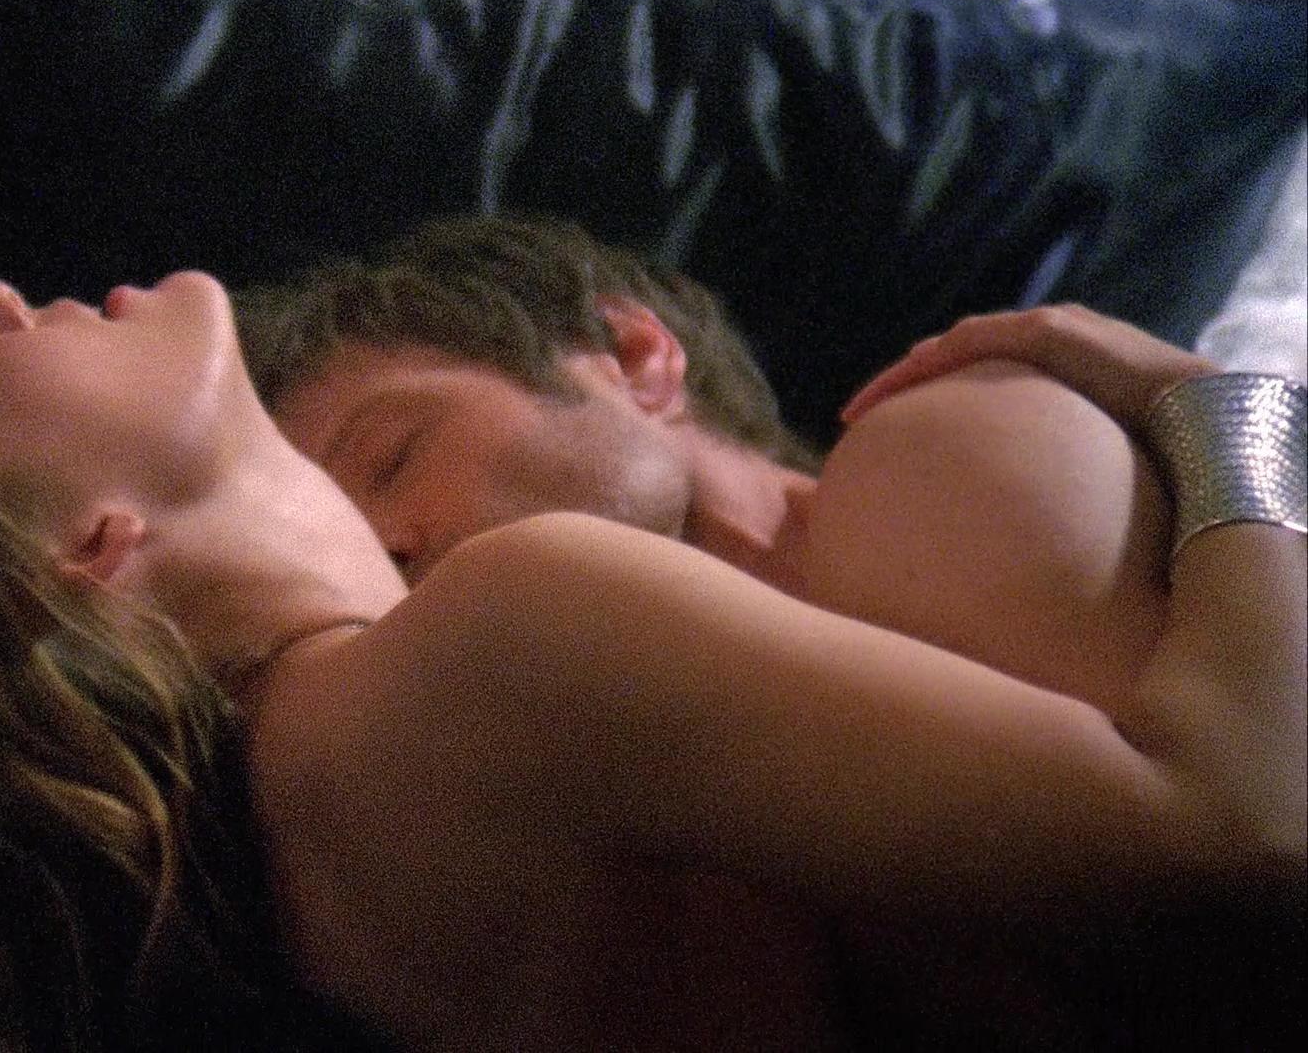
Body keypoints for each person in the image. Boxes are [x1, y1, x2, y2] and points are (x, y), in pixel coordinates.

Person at [0, 267, 1303, 1051]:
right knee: (959, 445)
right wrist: (1229, 410)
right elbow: (1236, 839)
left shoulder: (322, 831)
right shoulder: (494, 648)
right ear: (84, 556)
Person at [234, 215, 1304, 1041]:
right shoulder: (628, 812)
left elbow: (1244, 892)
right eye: (340, 529)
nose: (386, 547)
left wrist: (1232, 410)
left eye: (392, 457)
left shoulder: (935, 449)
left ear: (635, 356)